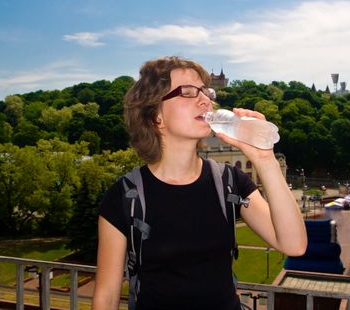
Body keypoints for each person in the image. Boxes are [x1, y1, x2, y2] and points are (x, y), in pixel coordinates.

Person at [92, 56, 307, 310]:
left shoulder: (228, 182)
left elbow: (294, 245)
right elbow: (105, 297)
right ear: (155, 116)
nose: (206, 100)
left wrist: (265, 158)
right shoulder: (125, 196)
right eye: (188, 92)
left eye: (206, 91)